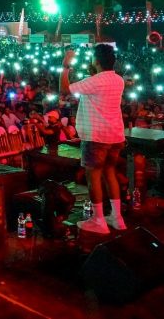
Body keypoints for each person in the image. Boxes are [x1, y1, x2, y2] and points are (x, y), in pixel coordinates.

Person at [60, 45, 126, 234]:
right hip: (115, 135)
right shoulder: (118, 80)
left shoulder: (95, 81)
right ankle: (117, 218)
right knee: (110, 173)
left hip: (96, 136)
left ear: (97, 60)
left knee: (94, 177)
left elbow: (64, 89)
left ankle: (98, 220)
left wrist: (65, 66)